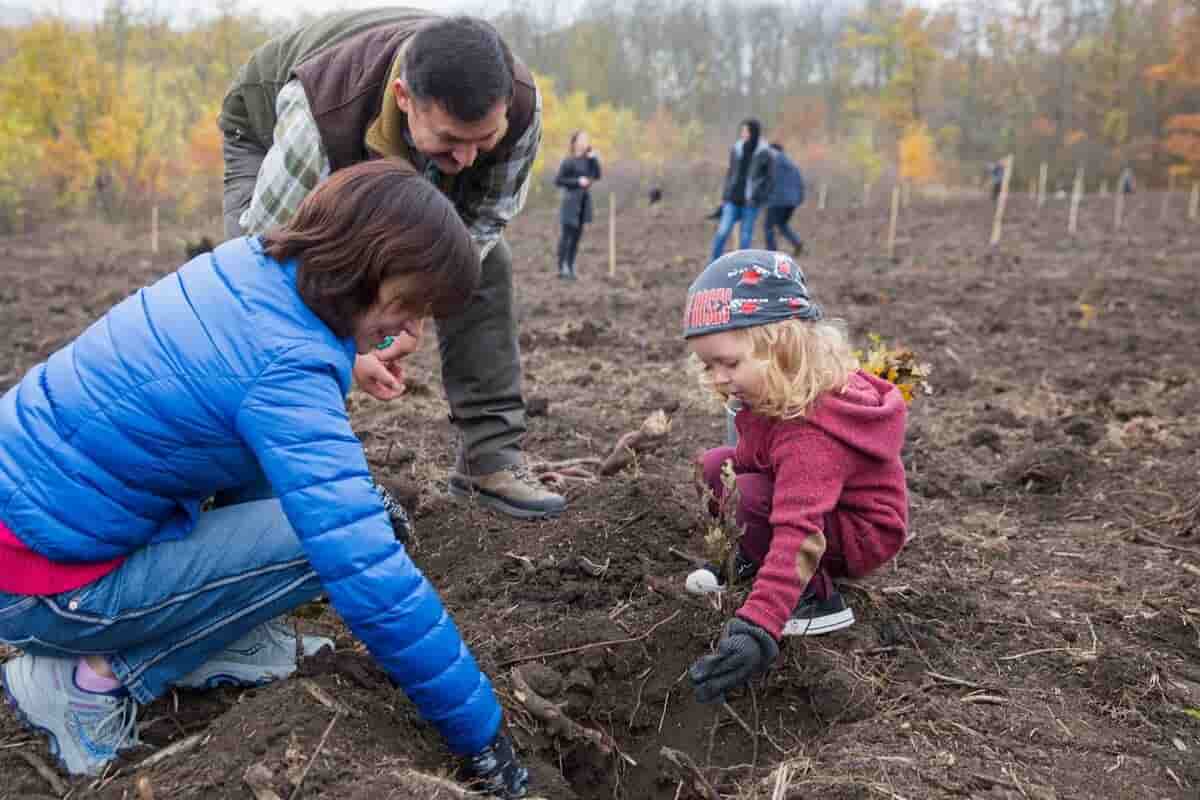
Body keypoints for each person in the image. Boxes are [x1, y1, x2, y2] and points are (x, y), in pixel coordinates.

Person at [0, 162, 528, 798]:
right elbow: (371, 576)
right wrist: (484, 739)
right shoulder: (285, 372)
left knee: (294, 485)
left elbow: (244, 369)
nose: (412, 333)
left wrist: (348, 357)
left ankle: (219, 636)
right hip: (45, 587)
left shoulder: (250, 267)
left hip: (34, 531)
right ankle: (92, 677)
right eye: (408, 306)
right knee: (355, 531)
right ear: (364, 267)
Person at [219, 9, 564, 520]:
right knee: (251, 304)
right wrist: (353, 345)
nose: (469, 159)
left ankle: (490, 459)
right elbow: (273, 262)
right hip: (268, 129)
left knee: (484, 266)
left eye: (483, 141)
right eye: (450, 140)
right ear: (405, 98)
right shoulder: (321, 112)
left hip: (386, 140)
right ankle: (248, 480)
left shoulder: (520, 106)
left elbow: (482, 224)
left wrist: (411, 310)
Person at [679, 250, 909, 704]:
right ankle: (754, 558)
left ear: (781, 346)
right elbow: (751, 459)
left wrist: (758, 625)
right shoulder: (772, 395)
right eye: (709, 366)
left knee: (746, 494)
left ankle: (815, 599)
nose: (720, 379)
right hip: (822, 508)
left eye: (729, 363)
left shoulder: (808, 436)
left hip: (858, 531)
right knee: (717, 468)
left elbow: (799, 532)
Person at [710, 119, 774, 263]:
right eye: (742, 131)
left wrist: (760, 197)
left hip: (751, 202)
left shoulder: (765, 152)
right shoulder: (736, 149)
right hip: (732, 199)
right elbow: (730, 173)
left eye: (746, 131)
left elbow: (769, 179)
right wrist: (724, 195)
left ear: (753, 132)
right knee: (723, 231)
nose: (743, 134)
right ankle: (712, 263)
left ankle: (740, 266)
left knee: (745, 237)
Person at [553, 130, 602, 280]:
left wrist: (594, 159)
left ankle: (571, 265)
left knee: (577, 237)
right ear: (574, 142)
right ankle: (562, 267)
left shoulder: (589, 160)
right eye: (582, 138)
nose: (585, 141)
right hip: (570, 202)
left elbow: (597, 175)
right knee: (566, 236)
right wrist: (577, 181)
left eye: (587, 139)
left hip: (583, 202)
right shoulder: (568, 161)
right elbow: (558, 180)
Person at [762, 143, 806, 256]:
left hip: (777, 200)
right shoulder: (792, 164)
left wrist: (764, 197)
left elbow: (769, 182)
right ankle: (797, 242)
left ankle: (771, 254)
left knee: (768, 227)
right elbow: (801, 183)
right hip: (792, 201)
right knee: (782, 224)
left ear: (773, 151)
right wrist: (799, 199)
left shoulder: (773, 163)